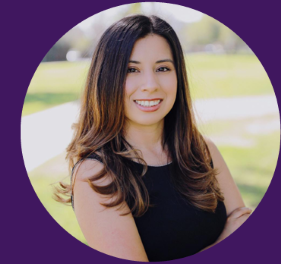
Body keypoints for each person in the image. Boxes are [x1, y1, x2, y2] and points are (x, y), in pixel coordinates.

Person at [55, 15, 251, 262]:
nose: (150, 84)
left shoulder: (202, 150)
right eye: (131, 69)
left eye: (163, 68)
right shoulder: (95, 175)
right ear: (106, 79)